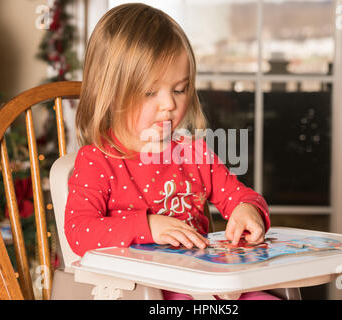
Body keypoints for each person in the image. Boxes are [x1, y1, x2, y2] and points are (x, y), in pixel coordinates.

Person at [65, 3, 279, 300]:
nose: (169, 104)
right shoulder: (97, 160)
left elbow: (240, 195)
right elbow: (80, 231)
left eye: (179, 90)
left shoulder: (194, 154)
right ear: (111, 93)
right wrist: (148, 226)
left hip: (206, 282)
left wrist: (248, 211)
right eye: (151, 92)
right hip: (142, 291)